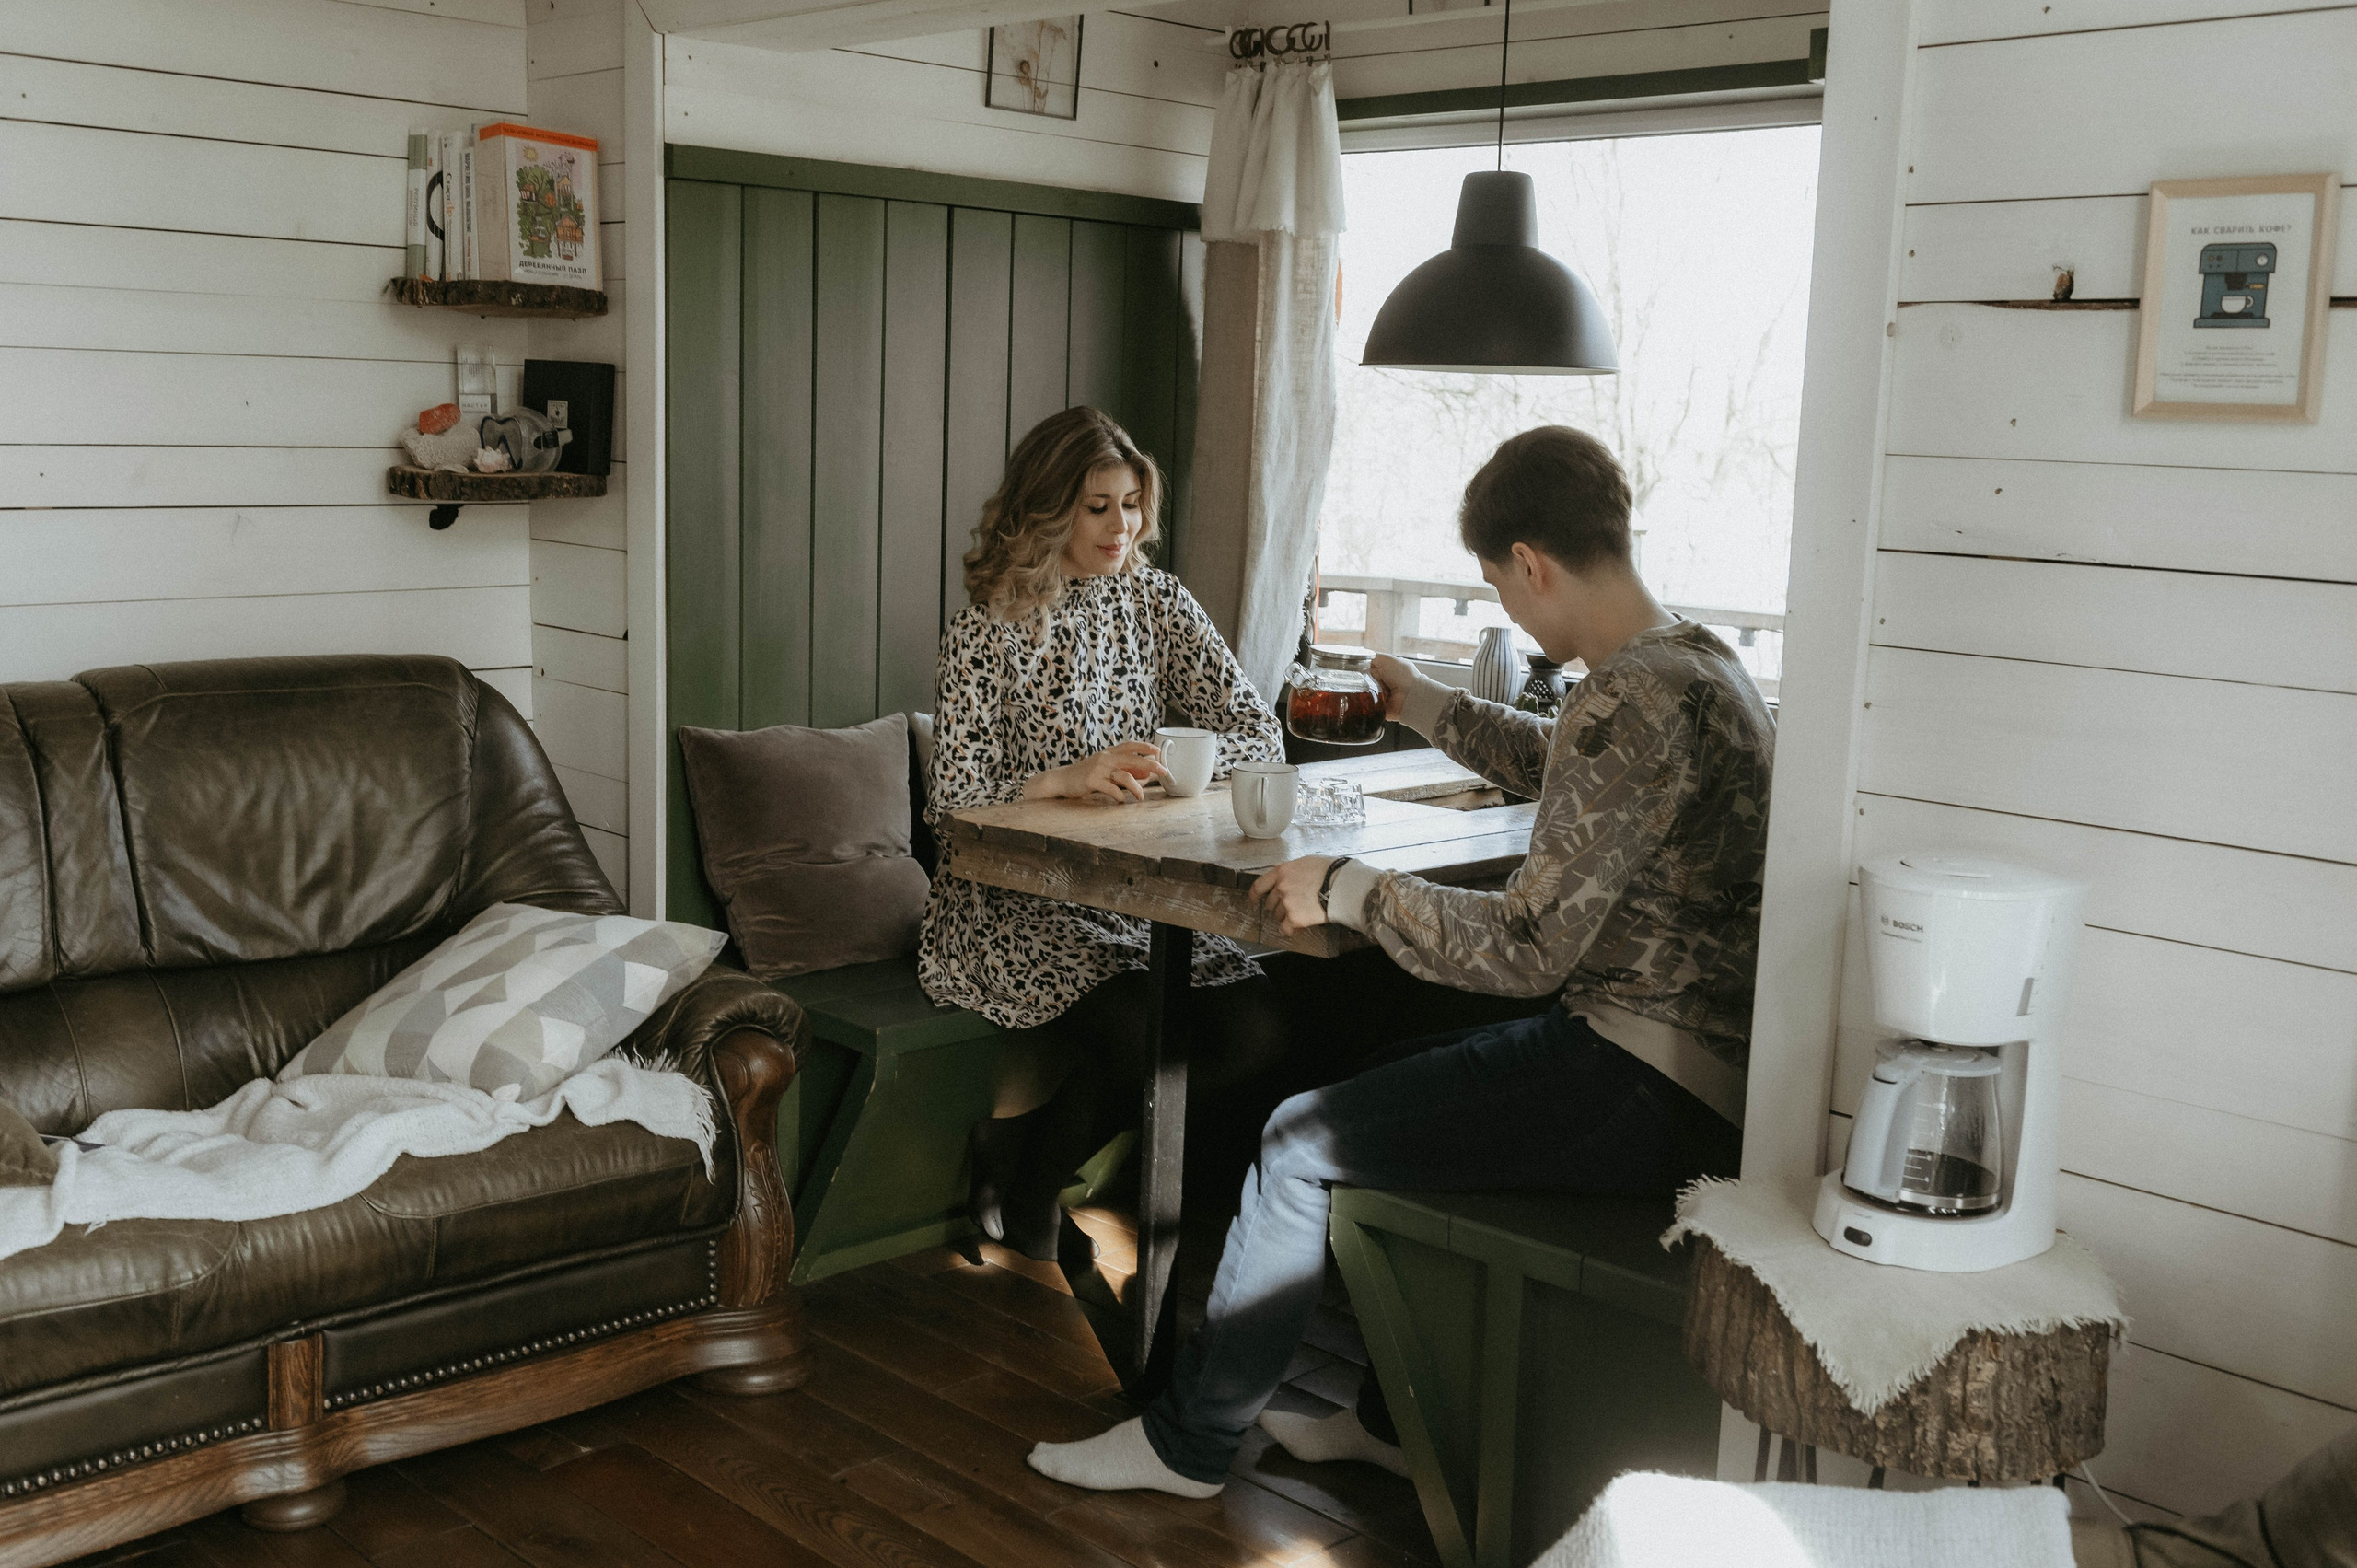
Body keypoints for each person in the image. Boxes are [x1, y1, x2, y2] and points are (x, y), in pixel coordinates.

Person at [1026, 424, 1774, 1497]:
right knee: (1389, 1062)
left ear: (1529, 562)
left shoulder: (1629, 695)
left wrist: (1349, 888)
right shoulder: (1695, 662)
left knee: (1297, 1138)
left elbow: (1524, 948)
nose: (1507, 611)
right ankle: (1387, 1419)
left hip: (1641, 1080)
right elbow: (1566, 768)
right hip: (1688, 1067)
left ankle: (1186, 1443)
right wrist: (1418, 698)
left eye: (1497, 586)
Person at [919, 405, 1293, 1263]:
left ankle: (1025, 1163)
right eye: (1097, 506)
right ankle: (1036, 1184)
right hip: (1011, 905)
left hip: (1135, 901)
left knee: (1257, 1028)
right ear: (1048, 509)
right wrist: (1063, 778)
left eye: (1130, 504)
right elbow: (953, 802)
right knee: (1143, 1029)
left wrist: (1173, 754)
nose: (1121, 526)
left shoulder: (1156, 601)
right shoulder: (987, 628)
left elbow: (1256, 731)